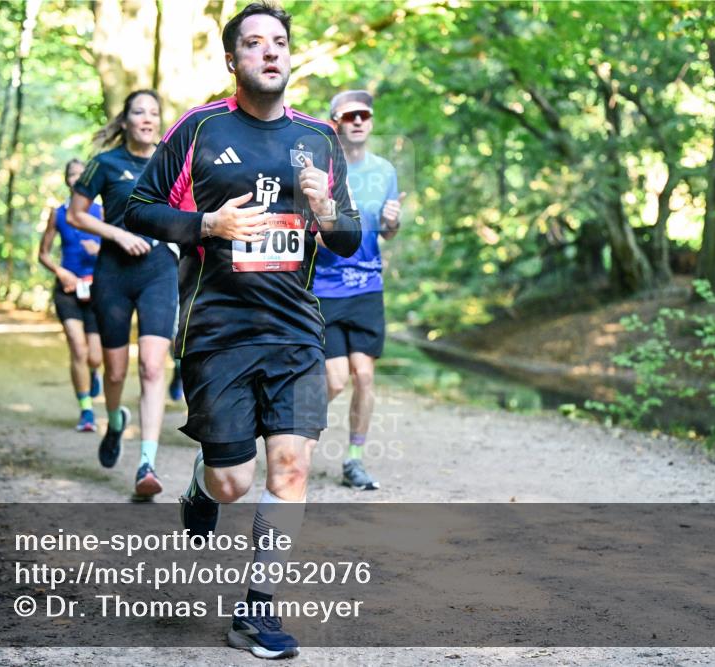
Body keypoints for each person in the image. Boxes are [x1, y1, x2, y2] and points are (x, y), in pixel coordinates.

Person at [125, 2, 360, 659]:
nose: (269, 52)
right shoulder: (199, 128)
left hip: (294, 326)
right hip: (219, 324)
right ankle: (203, 486)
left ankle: (257, 611)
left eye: (279, 42)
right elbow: (137, 208)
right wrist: (207, 225)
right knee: (232, 481)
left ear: (290, 55)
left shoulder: (317, 139)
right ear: (234, 61)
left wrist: (326, 208)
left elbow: (347, 239)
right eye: (254, 43)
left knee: (291, 464)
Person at [68, 90, 178, 499]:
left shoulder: (172, 161)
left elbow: (192, 208)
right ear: (126, 120)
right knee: (114, 372)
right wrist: (117, 233)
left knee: (152, 367)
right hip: (113, 273)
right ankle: (115, 422)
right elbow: (77, 213)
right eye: (138, 112)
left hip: (158, 271)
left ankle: (147, 463)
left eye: (153, 112)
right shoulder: (105, 162)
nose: (147, 119)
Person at [313, 90, 406, 491]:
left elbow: (387, 232)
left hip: (367, 285)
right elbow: (308, 234)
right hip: (327, 288)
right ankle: (289, 430)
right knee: (334, 380)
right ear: (335, 123)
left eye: (363, 115)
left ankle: (354, 460)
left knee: (364, 377)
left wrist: (392, 221)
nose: (357, 121)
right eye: (348, 115)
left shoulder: (385, 170)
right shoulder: (321, 171)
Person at [39, 159, 105, 432]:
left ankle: (92, 373)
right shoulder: (58, 214)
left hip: (98, 290)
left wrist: (100, 252)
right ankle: (86, 411)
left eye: (81, 174)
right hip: (68, 290)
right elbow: (42, 253)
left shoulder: (103, 211)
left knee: (95, 357)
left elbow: (122, 247)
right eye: (72, 175)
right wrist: (60, 272)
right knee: (77, 348)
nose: (77, 179)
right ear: (67, 180)